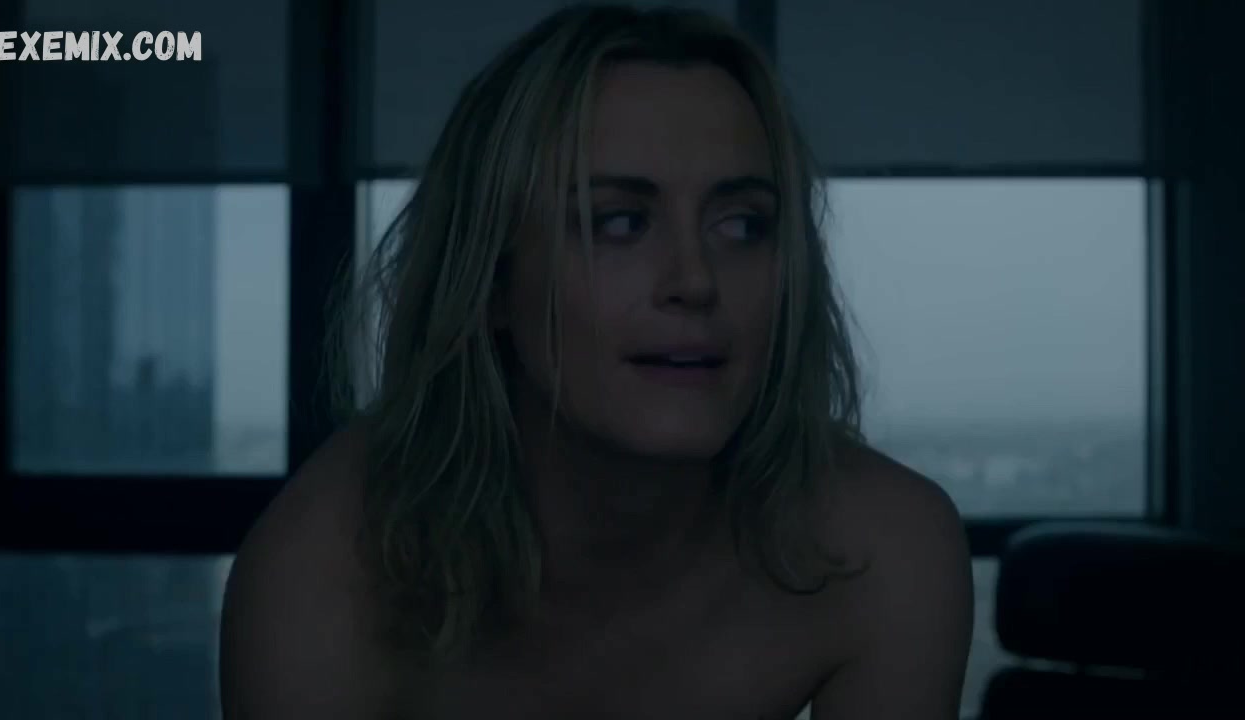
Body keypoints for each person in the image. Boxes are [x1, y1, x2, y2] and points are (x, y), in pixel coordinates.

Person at [219, 4, 973, 719]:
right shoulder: (331, 572)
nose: (695, 280)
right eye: (618, 222)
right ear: (489, 279)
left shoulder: (881, 549)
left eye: (744, 225)